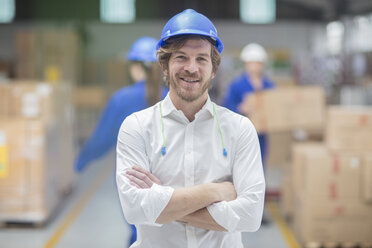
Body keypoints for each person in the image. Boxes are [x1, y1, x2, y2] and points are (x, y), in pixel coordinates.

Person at [116, 9, 265, 248]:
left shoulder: (239, 129)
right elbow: (135, 210)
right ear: (164, 66)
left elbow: (251, 215)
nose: (191, 68)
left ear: (214, 69)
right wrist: (216, 191)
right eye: (181, 57)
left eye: (201, 59)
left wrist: (163, 203)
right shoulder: (137, 128)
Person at [74, 36, 168, 246]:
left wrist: (78, 164)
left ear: (135, 67)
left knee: (139, 231)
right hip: (168, 177)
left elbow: (101, 140)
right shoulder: (171, 97)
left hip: (132, 178)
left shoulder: (121, 99)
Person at [223, 43, 276, 167]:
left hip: (262, 134)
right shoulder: (236, 85)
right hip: (242, 133)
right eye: (250, 63)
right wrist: (240, 108)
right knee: (243, 166)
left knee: (261, 165)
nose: (254, 66)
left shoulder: (269, 86)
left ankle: (261, 187)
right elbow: (226, 108)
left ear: (262, 65)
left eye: (257, 63)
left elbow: (276, 106)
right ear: (245, 64)